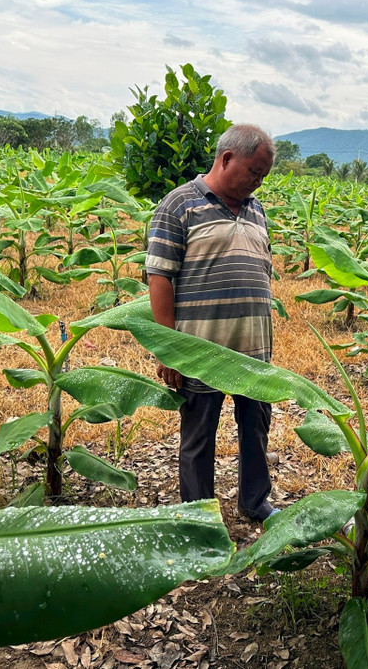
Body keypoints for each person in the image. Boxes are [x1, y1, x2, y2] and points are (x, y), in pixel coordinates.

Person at [145, 123, 279, 521]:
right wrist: (169, 349)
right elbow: (159, 278)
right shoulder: (178, 205)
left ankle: (254, 502)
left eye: (263, 177)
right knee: (199, 435)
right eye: (254, 172)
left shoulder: (256, 209)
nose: (258, 183)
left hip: (252, 349)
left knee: (255, 429)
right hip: (200, 349)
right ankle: (198, 514)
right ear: (226, 158)